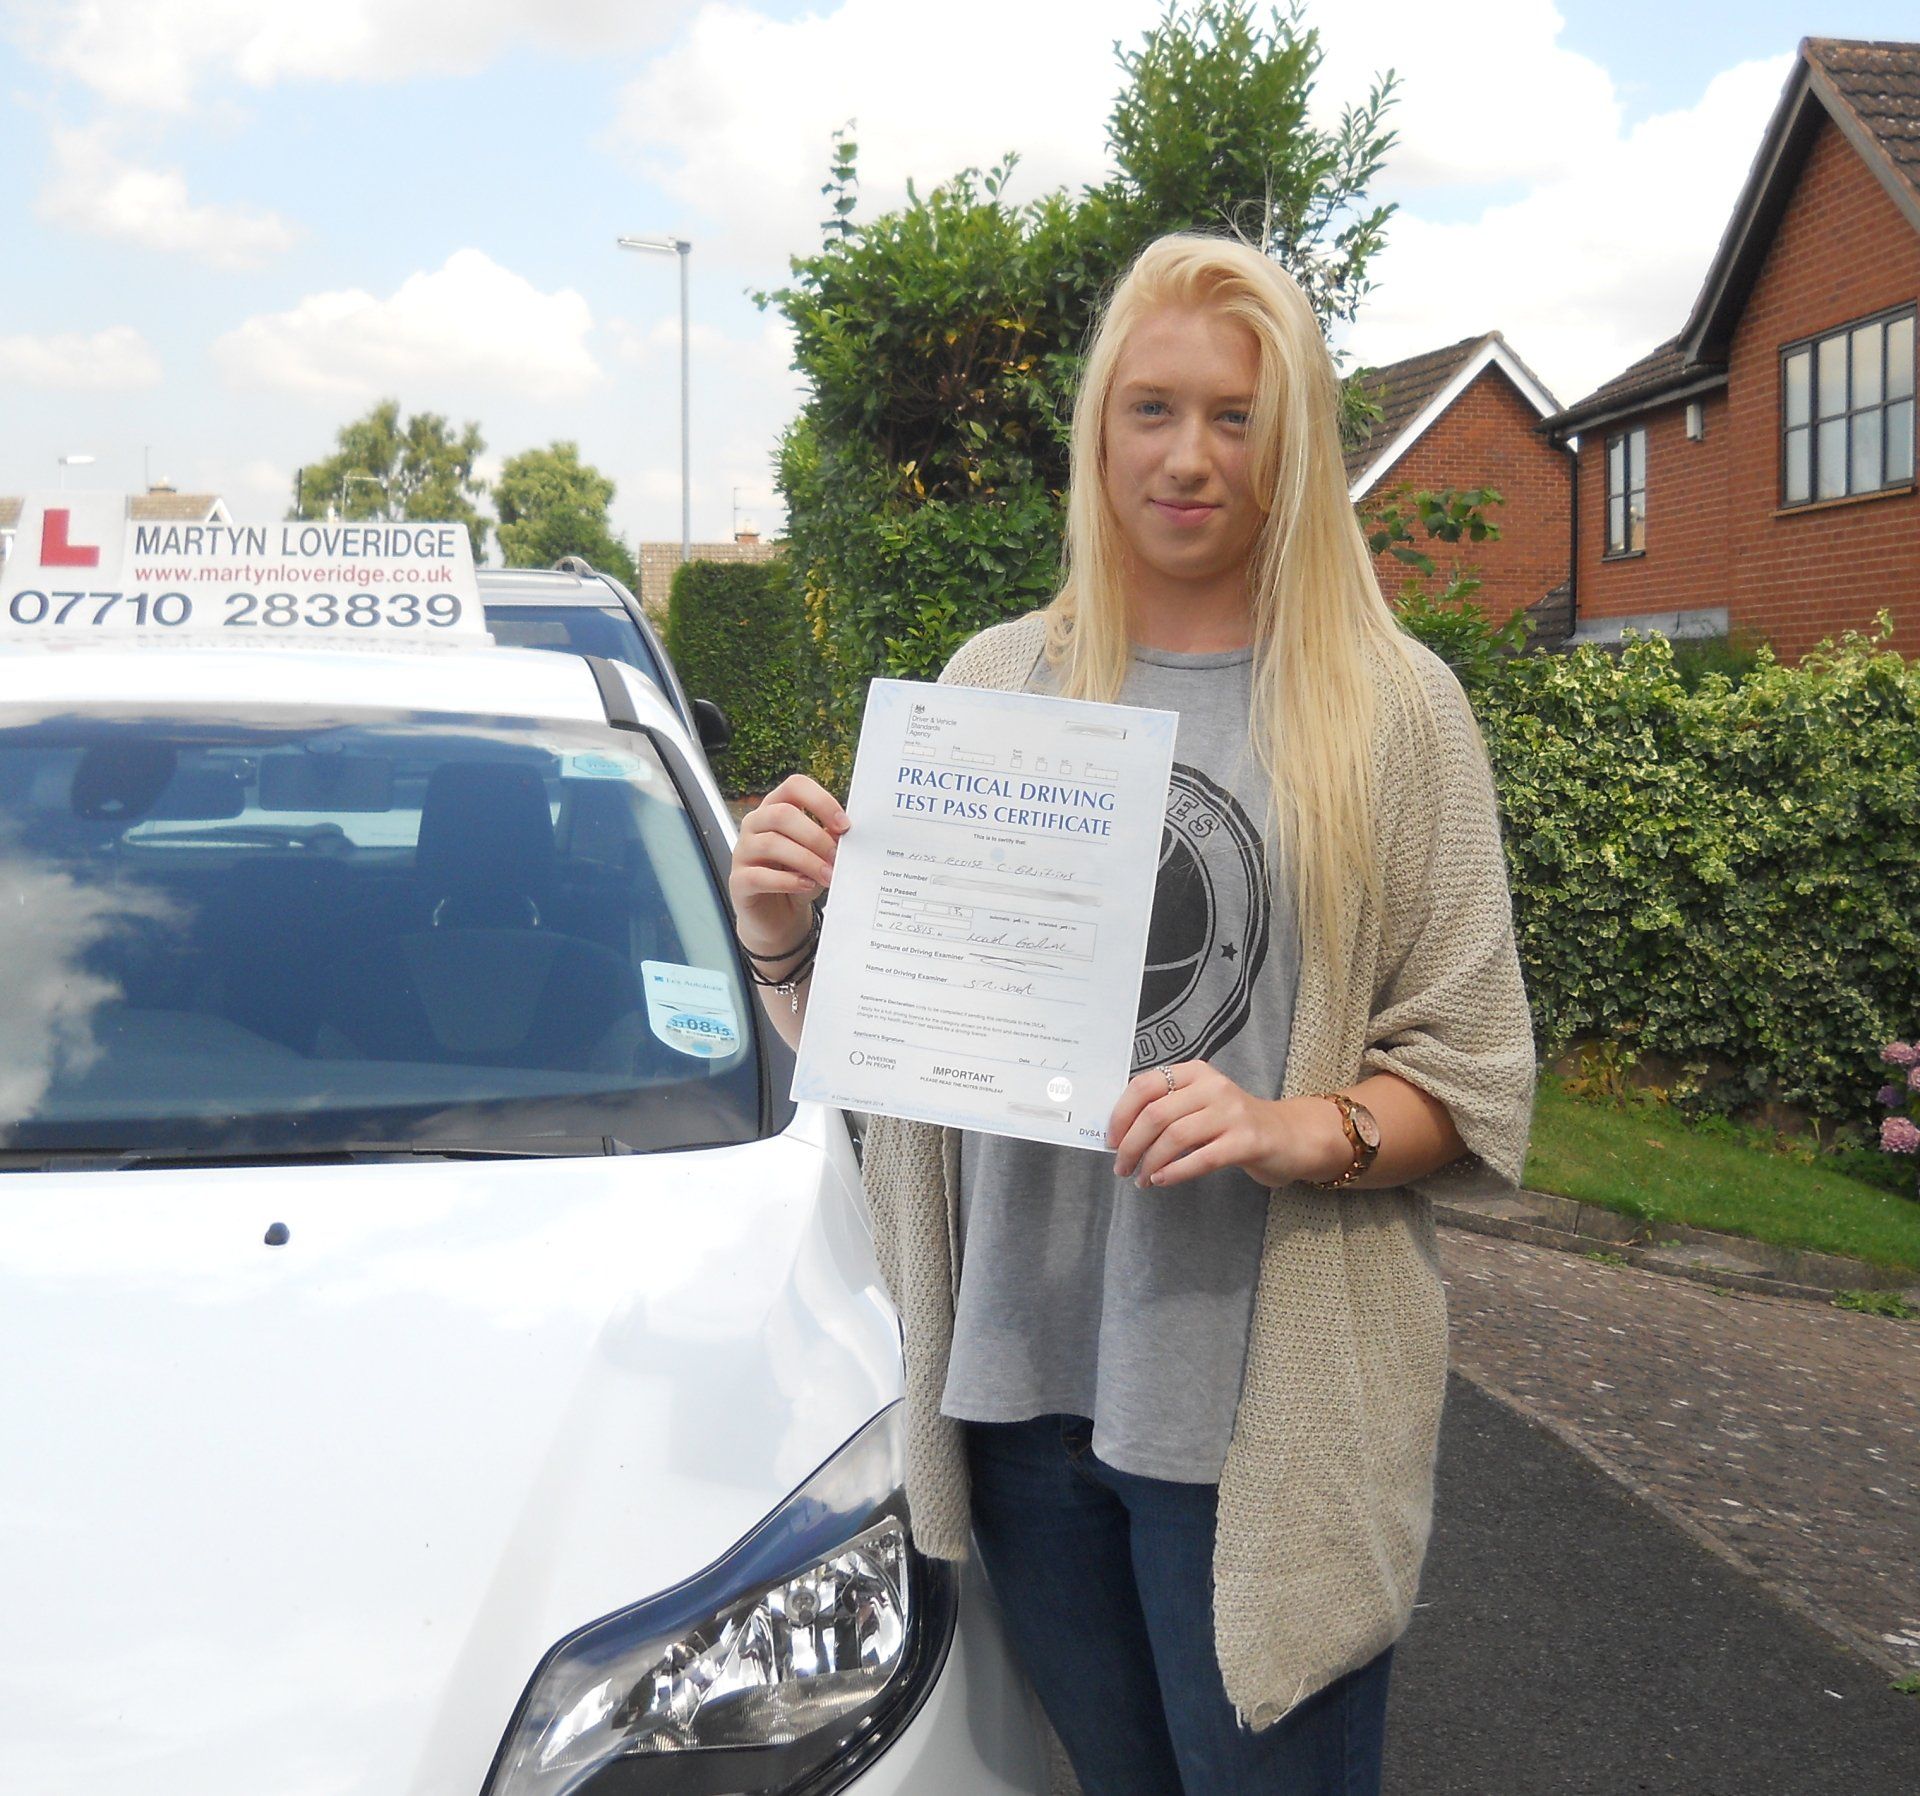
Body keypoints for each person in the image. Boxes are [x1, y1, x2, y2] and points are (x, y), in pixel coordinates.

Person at [728, 233, 1536, 1796]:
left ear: (1290, 441)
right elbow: (909, 1067)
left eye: (1235, 416)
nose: (1188, 455)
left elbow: (1476, 1066)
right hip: (1024, 1403)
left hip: (1263, 1422)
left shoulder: (1391, 709)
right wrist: (785, 945)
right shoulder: (999, 687)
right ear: (1098, 431)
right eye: (1151, 408)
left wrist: (1292, 1126)